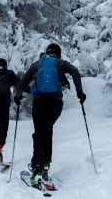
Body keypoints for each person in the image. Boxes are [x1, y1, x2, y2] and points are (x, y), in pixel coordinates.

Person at [14, 44, 86, 186]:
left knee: (39, 134)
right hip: (56, 105)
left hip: (40, 103)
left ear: (46, 53)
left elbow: (21, 84)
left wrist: (18, 96)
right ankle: (46, 165)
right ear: (58, 54)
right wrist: (79, 92)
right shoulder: (61, 63)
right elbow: (75, 71)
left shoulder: (38, 64)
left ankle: (37, 170)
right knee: (48, 131)